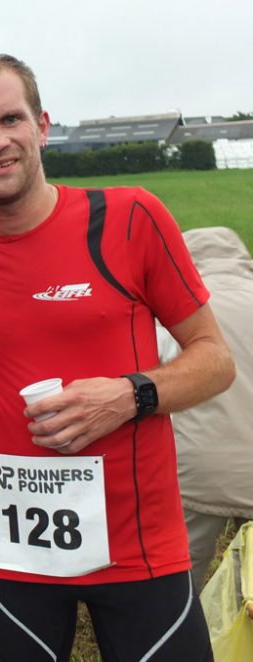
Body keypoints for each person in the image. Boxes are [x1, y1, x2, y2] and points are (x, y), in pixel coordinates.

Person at [0, 52, 235, 661]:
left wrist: (128, 395)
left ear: (43, 126)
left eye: (10, 119)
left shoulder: (130, 218)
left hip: (137, 546)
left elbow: (215, 360)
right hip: (14, 552)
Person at [156, 226, 253, 588]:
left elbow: (155, 377)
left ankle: (180, 636)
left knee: (179, 572)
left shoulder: (180, 309)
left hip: (200, 470)